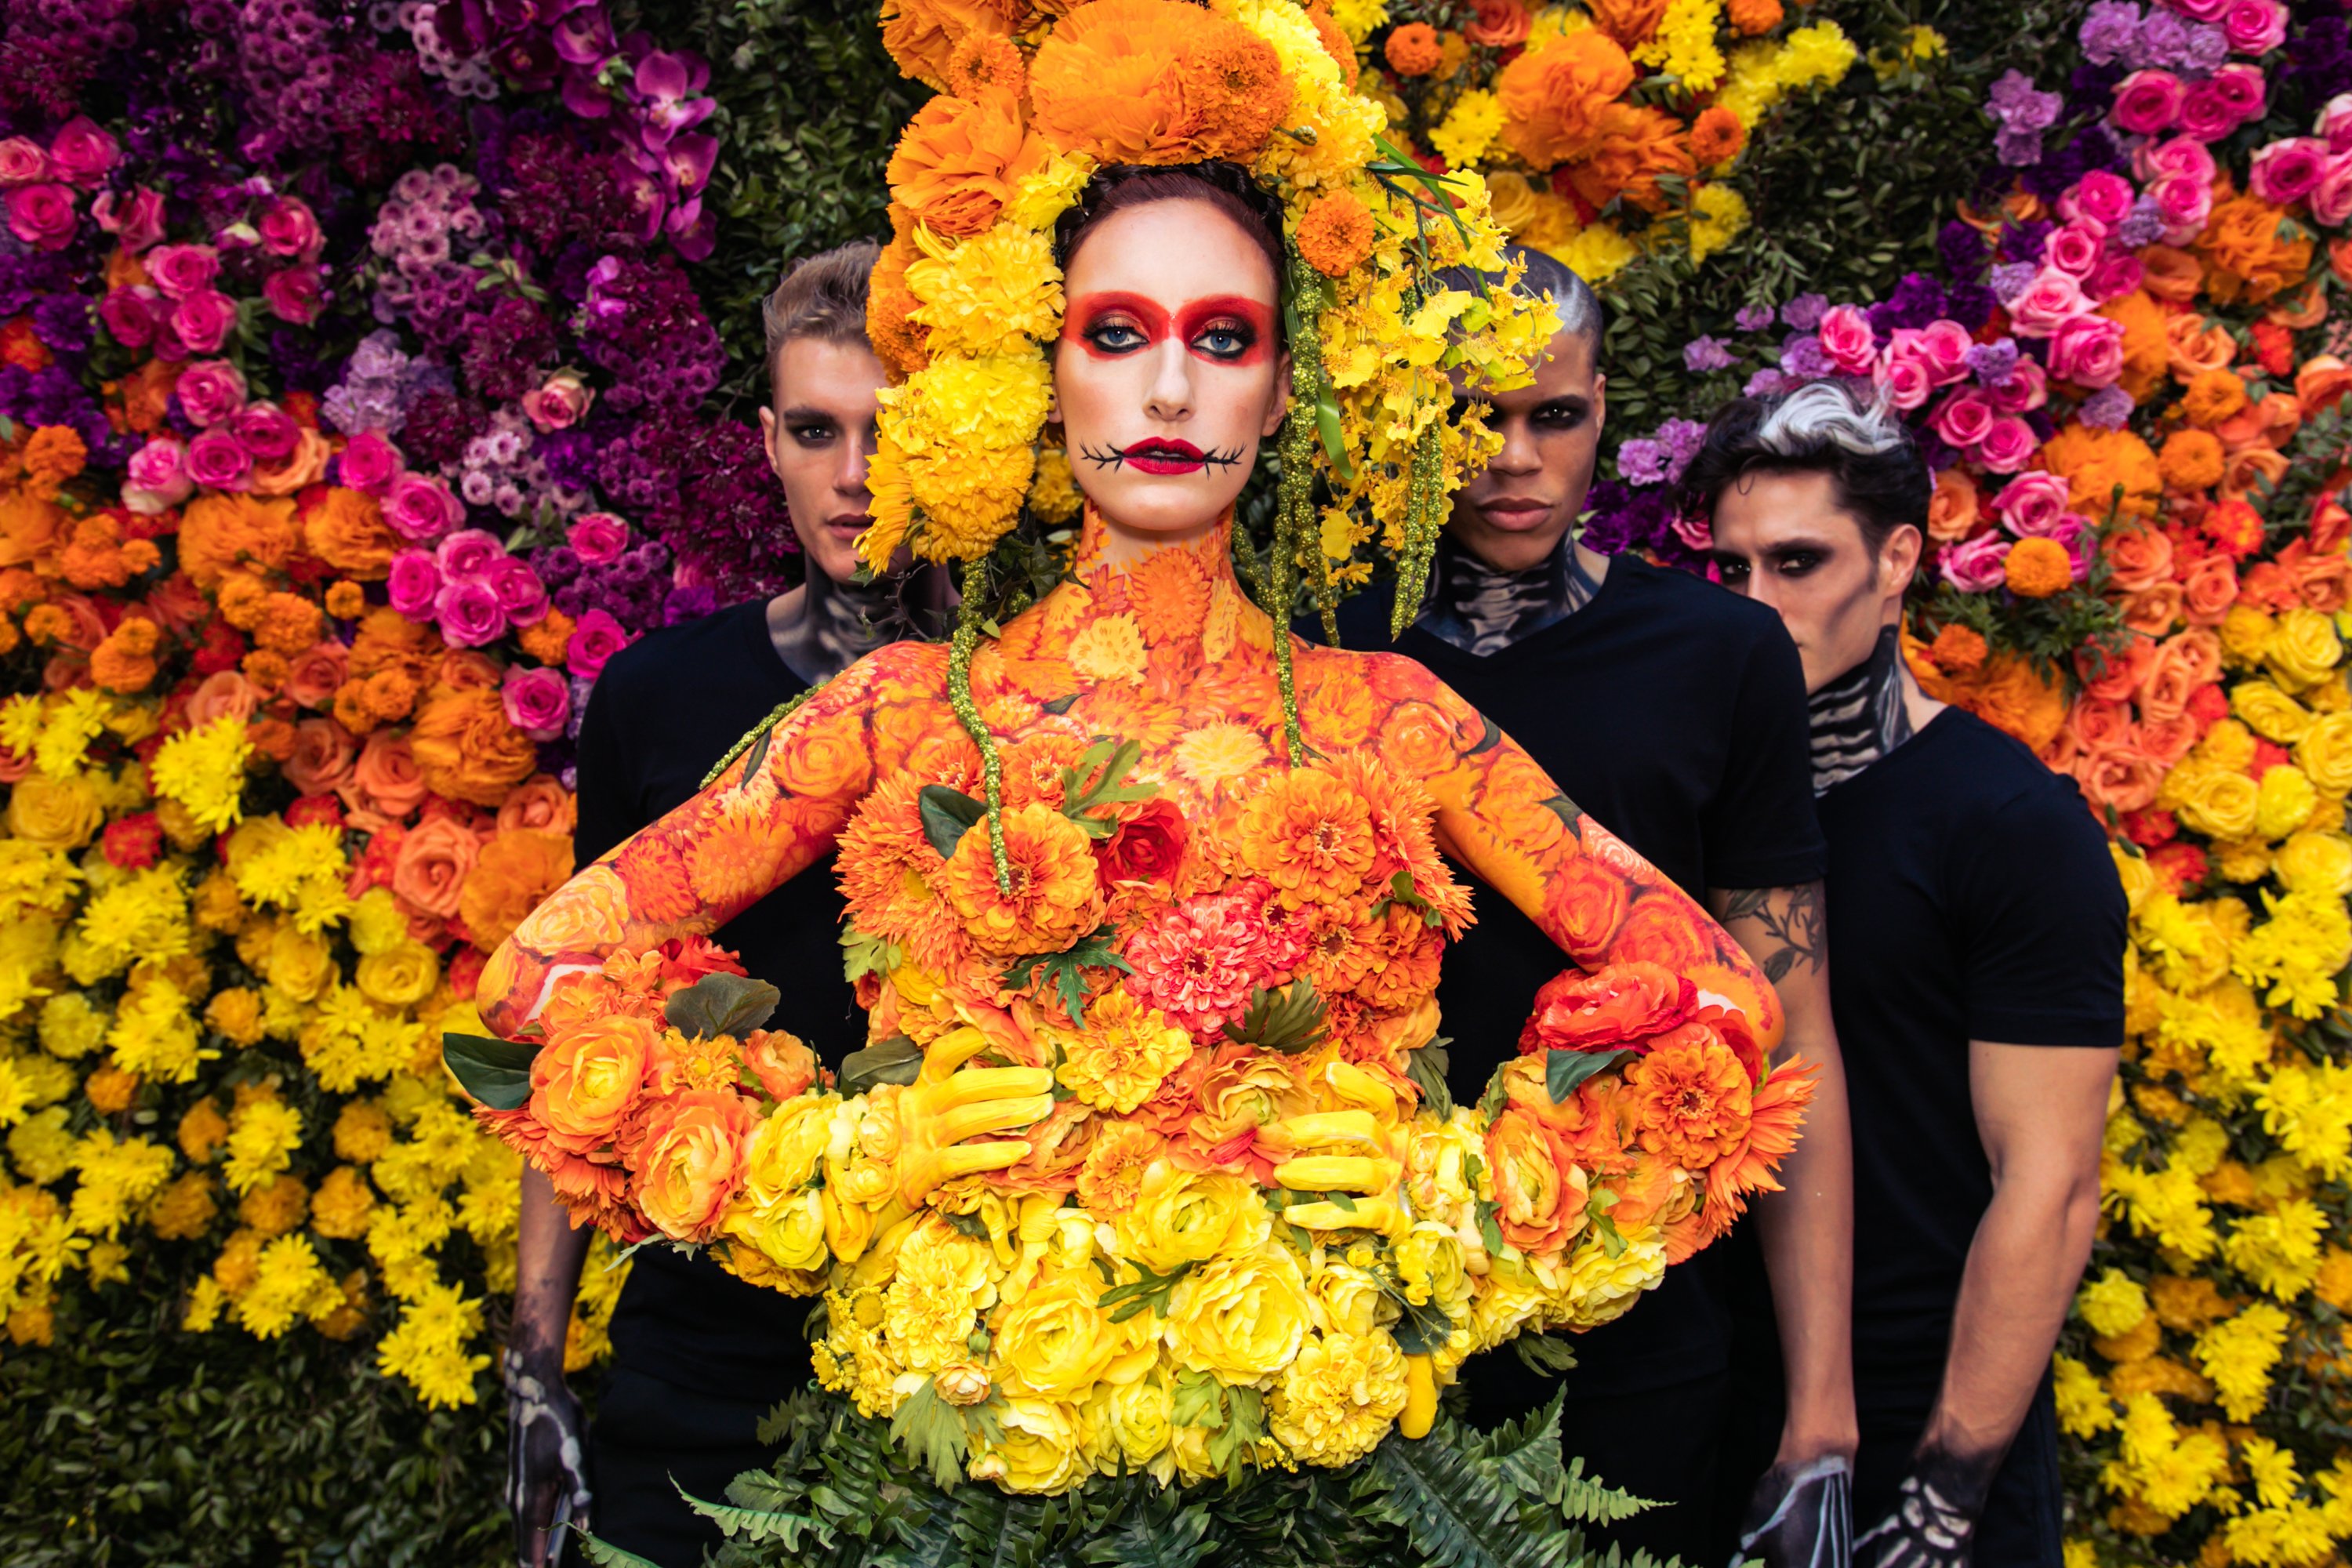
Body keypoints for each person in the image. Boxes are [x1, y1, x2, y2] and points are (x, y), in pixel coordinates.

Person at [476, 162, 1802, 1520]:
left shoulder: (1392, 719)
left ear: (1284, 392)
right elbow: (536, 978)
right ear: (1042, 373)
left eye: (1222, 338)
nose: (1169, 391)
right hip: (968, 1478)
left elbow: (1720, 1000)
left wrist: (1453, 1195)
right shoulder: (903, 712)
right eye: (1117, 333)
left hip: (1333, 1484)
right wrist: (847, 1159)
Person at [1307, 249, 1856, 1567]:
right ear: (1408, 411)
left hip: (1637, 1321)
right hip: (1340, 1315)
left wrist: (1824, 1408)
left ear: (1604, 408)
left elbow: (1794, 1031)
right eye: (1472, 415)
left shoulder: (1718, 656)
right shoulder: (1313, 640)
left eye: (1552, 415)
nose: (1512, 456)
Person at [503, 241, 949, 1568]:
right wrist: (536, 1359)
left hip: (968, 1332)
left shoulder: (1036, 696)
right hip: (701, 1324)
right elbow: (571, 1030)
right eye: (817, 430)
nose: (855, 474)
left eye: (892, 430)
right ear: (767, 442)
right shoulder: (660, 697)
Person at [1693, 381, 2123, 1568]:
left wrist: (1939, 1500)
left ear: (1896, 563)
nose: (1758, 607)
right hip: (1712, 1400)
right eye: (1732, 572)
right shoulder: (1699, 800)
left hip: (1924, 1423)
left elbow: (2049, 1189)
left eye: (1798, 563)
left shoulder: (2006, 820)